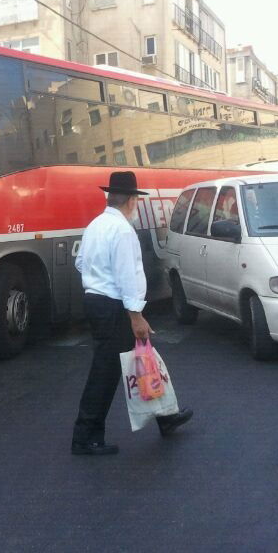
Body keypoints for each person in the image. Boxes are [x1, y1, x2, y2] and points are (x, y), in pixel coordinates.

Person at [72, 171, 192, 456]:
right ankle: (85, 436)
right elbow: (128, 276)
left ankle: (166, 417)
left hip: (97, 302)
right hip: (115, 307)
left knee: (142, 359)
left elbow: (80, 263)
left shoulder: (95, 225)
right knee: (107, 371)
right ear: (130, 201)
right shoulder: (123, 231)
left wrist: (98, 282)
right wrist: (135, 314)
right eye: (136, 201)